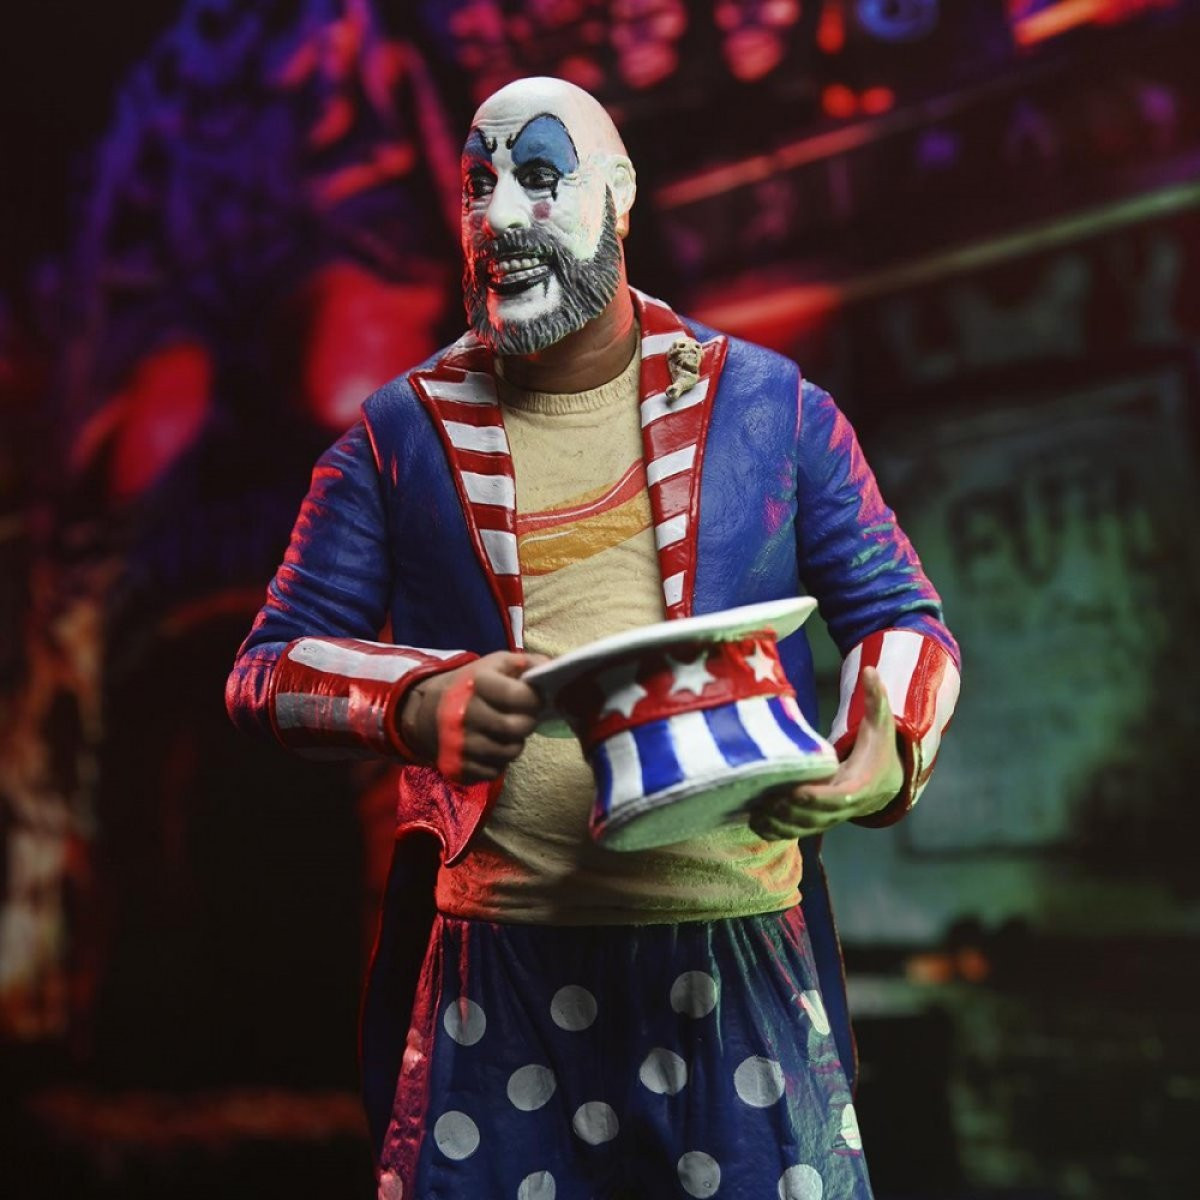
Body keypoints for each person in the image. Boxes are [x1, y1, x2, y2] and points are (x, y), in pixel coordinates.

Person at [227, 76, 960, 1200]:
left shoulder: (771, 409)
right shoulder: (396, 440)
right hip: (496, 972)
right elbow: (268, 666)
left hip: (734, 957)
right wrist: (417, 700)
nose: (501, 217)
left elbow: (902, 616)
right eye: (477, 186)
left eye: (539, 177)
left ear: (618, 196)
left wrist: (879, 751)